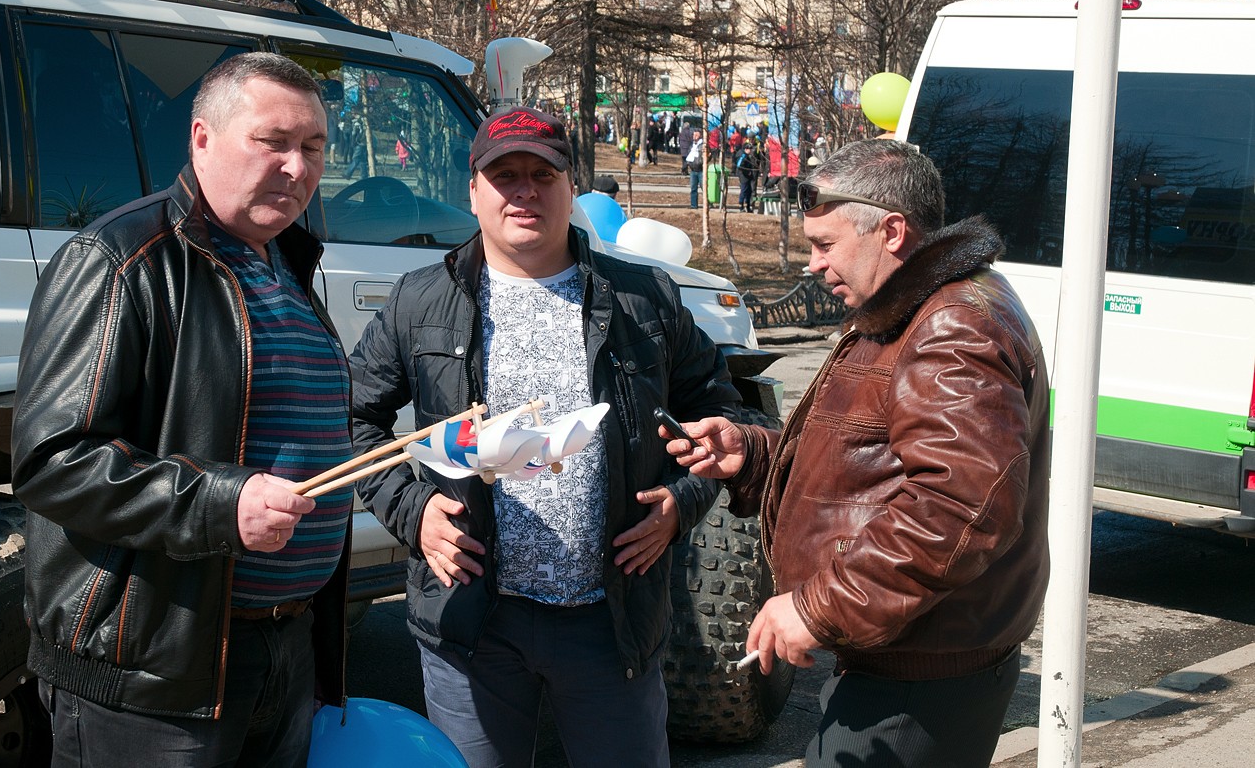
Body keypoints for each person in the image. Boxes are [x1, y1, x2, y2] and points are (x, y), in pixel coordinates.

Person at [348, 106, 740, 768]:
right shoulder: (420, 300)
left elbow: (723, 417)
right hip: (472, 623)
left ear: (571, 186)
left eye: (543, 174)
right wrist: (414, 513)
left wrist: (682, 503)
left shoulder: (643, 298)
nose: (524, 191)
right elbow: (353, 418)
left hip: (610, 621)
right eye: (505, 176)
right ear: (473, 190)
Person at [12, 52, 352, 767]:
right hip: (155, 672)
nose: (298, 168)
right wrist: (221, 505)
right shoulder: (119, 258)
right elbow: (53, 461)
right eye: (274, 142)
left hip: (280, 651)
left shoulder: (285, 261)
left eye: (314, 147)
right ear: (202, 138)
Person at [665, 139, 1050, 768]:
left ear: (892, 232)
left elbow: (959, 508)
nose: (812, 264)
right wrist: (755, 457)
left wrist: (817, 609)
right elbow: (876, 461)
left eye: (825, 245)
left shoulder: (950, 324)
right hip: (907, 652)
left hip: (920, 675)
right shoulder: (918, 307)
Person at [735, 138, 759, 213]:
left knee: (749, 191)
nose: (751, 151)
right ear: (746, 149)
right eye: (750, 149)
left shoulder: (746, 155)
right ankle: (741, 205)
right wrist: (747, 172)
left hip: (748, 176)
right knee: (744, 190)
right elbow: (739, 165)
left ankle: (748, 206)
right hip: (743, 176)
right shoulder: (743, 155)